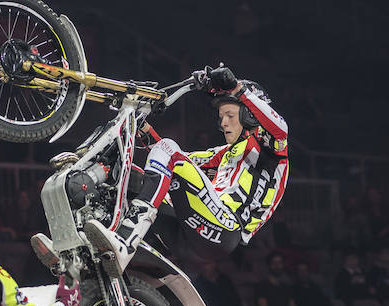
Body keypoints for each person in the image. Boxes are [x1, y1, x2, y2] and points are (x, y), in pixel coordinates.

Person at [81, 65, 288, 270]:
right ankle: (86, 239)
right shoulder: (225, 153)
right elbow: (170, 161)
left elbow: (281, 129)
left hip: (226, 229)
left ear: (250, 115)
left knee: (168, 149)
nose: (223, 123)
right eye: (221, 116)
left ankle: (125, 240)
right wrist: (143, 128)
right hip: (189, 236)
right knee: (131, 176)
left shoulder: (271, 150)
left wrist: (237, 89)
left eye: (230, 115)